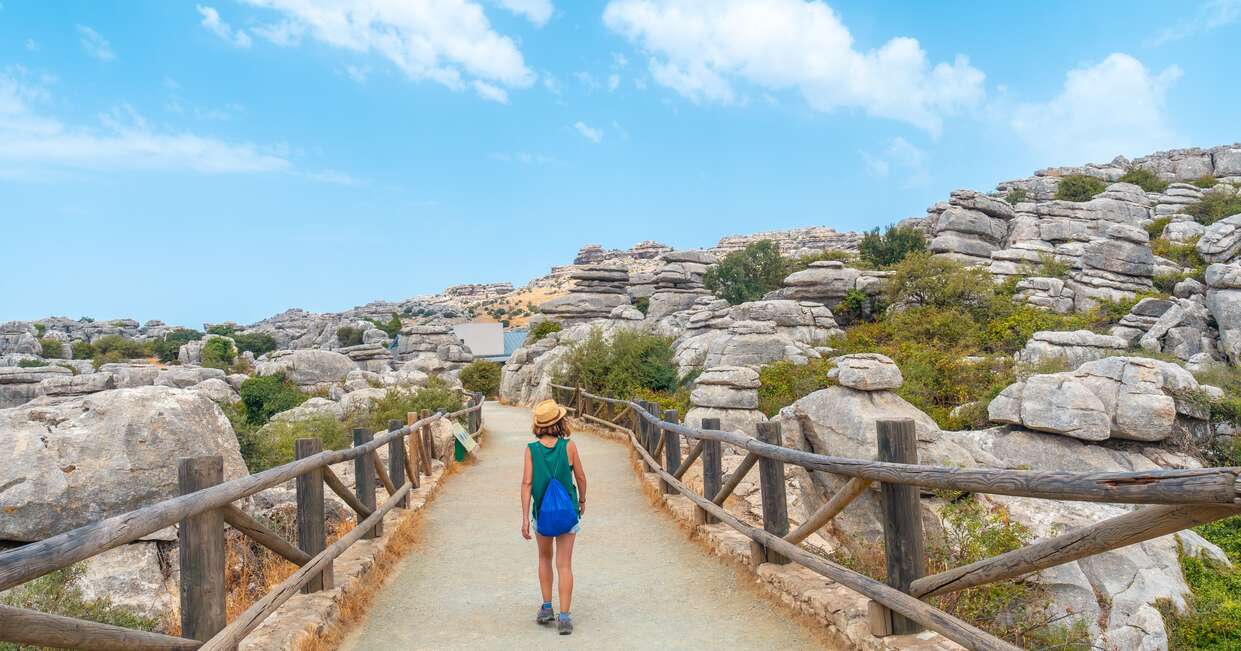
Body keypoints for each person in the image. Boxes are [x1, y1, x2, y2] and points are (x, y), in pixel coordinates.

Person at [521, 399, 587, 635]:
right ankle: (565, 617)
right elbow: (581, 477)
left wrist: (525, 518)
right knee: (565, 564)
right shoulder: (569, 447)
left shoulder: (531, 449)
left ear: (538, 424)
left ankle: (547, 607)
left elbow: (527, 483)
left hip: (542, 513)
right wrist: (582, 501)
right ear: (559, 421)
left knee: (544, 558)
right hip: (567, 512)